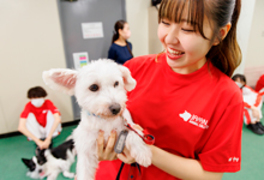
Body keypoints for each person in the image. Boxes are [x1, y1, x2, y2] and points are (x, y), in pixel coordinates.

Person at [88, 0, 243, 179]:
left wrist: (145, 151)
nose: (169, 39)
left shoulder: (227, 96)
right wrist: (101, 146)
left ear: (219, 35)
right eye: (165, 22)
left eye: (187, 29)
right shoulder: (134, 69)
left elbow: (210, 175)